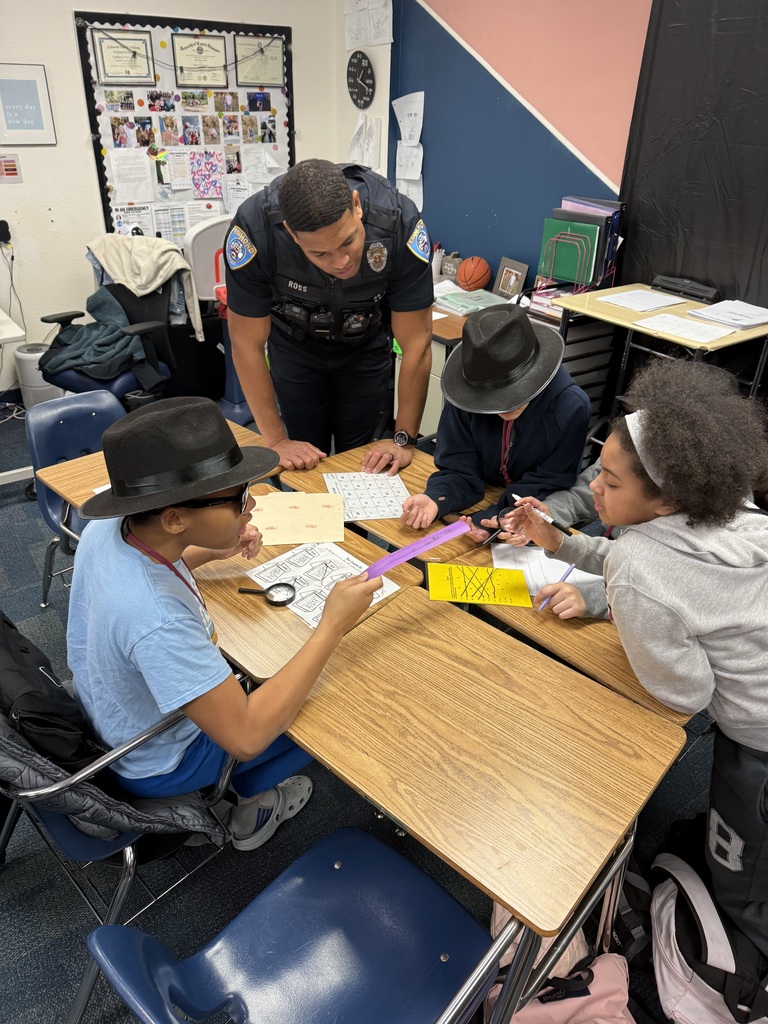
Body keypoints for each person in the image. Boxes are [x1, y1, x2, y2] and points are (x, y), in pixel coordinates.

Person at [516, 359, 768, 956]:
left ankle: (742, 945)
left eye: (610, 482)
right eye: (595, 470)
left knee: (745, 856)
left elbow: (686, 695)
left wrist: (628, 618)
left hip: (758, 733)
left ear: (662, 502)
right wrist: (560, 541)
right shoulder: (728, 503)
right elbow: (659, 568)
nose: (593, 489)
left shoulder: (641, 566)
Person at [68, 397, 380, 851]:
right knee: (332, 703)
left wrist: (214, 547)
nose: (250, 507)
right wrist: (331, 625)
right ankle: (249, 807)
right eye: (238, 499)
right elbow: (247, 736)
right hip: (162, 760)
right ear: (174, 517)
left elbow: (155, 567)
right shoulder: (156, 619)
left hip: (112, 715)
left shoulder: (115, 525)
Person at [224, 159, 434, 474]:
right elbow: (245, 343)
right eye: (320, 254)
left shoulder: (399, 222)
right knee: (302, 460)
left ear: (356, 205)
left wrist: (403, 440)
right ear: (291, 233)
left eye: (348, 240)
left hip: (364, 345)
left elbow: (416, 342)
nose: (341, 262)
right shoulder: (255, 229)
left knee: (364, 460)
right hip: (295, 348)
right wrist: (277, 441)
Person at [400, 304, 590, 532]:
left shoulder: (571, 407)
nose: (504, 407)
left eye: (513, 394)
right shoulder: (463, 396)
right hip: (485, 490)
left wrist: (499, 517)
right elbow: (457, 463)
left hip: (533, 511)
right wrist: (437, 498)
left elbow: (549, 481)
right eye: (491, 399)